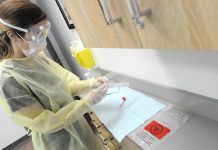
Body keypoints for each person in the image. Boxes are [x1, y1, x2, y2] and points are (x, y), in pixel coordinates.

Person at [0, 0, 109, 150]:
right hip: (57, 142)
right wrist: (87, 102)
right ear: (13, 35)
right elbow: (43, 122)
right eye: (37, 35)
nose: (43, 39)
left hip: (78, 126)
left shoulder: (37, 57)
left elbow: (63, 85)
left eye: (45, 31)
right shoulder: (7, 78)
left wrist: (91, 84)